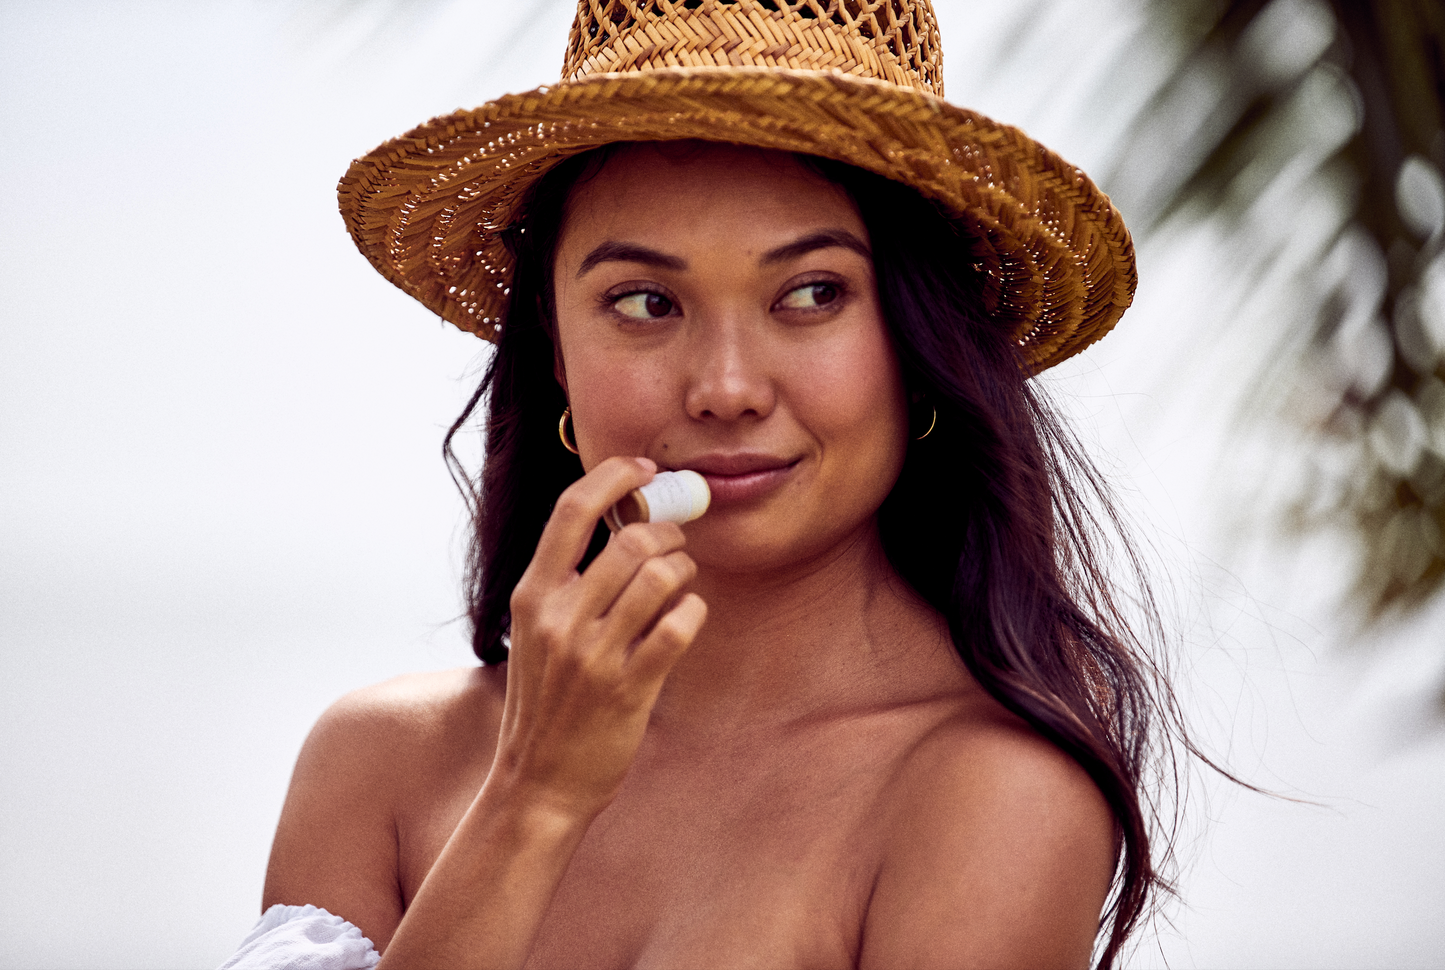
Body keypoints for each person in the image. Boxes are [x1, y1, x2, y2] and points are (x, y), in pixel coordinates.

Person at [223, 2, 1179, 968]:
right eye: (645, 302)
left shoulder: (988, 792)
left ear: (915, 339)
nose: (725, 389)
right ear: (553, 348)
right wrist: (528, 801)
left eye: (812, 294)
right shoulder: (379, 766)